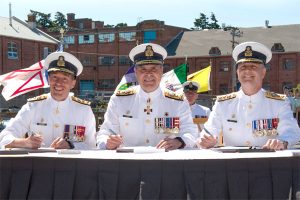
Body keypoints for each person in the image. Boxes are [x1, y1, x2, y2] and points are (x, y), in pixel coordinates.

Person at [197, 41, 300, 150]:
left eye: (253, 67)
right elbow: (208, 133)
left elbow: (291, 131)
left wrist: (282, 142)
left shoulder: (279, 103)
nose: (247, 71)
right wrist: (205, 141)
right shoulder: (223, 104)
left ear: (263, 72)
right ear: (237, 72)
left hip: (268, 162)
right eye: (243, 67)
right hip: (233, 163)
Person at [97, 43, 198, 150]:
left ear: (161, 71)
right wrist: (107, 142)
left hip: (166, 162)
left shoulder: (178, 102)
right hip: (129, 162)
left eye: (154, 69)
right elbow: (105, 132)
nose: (149, 74)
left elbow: (190, 132)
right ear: (135, 72)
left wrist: (179, 142)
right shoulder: (119, 100)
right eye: (143, 70)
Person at [0, 52, 96, 149]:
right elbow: (4, 137)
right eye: (54, 77)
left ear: (73, 83)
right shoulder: (33, 106)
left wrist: (71, 145)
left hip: (70, 163)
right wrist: (24, 142)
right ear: (49, 79)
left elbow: (91, 145)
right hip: (38, 163)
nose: (58, 83)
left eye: (65, 79)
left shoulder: (83, 110)